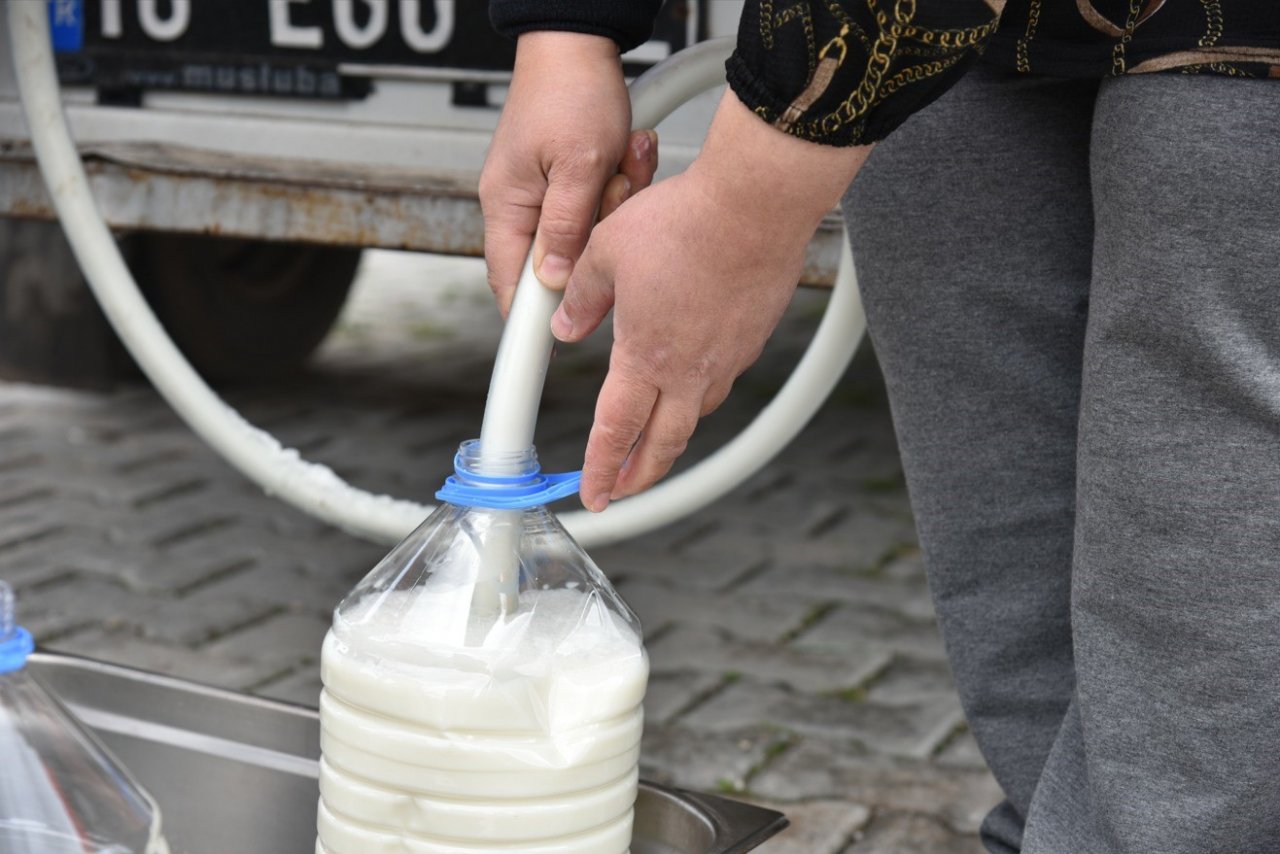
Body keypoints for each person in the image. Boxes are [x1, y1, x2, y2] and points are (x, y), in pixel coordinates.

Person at [479, 2, 1280, 851]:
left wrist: (743, 206)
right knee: (1025, 654)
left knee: (1198, 747)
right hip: (952, 54)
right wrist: (566, 36)